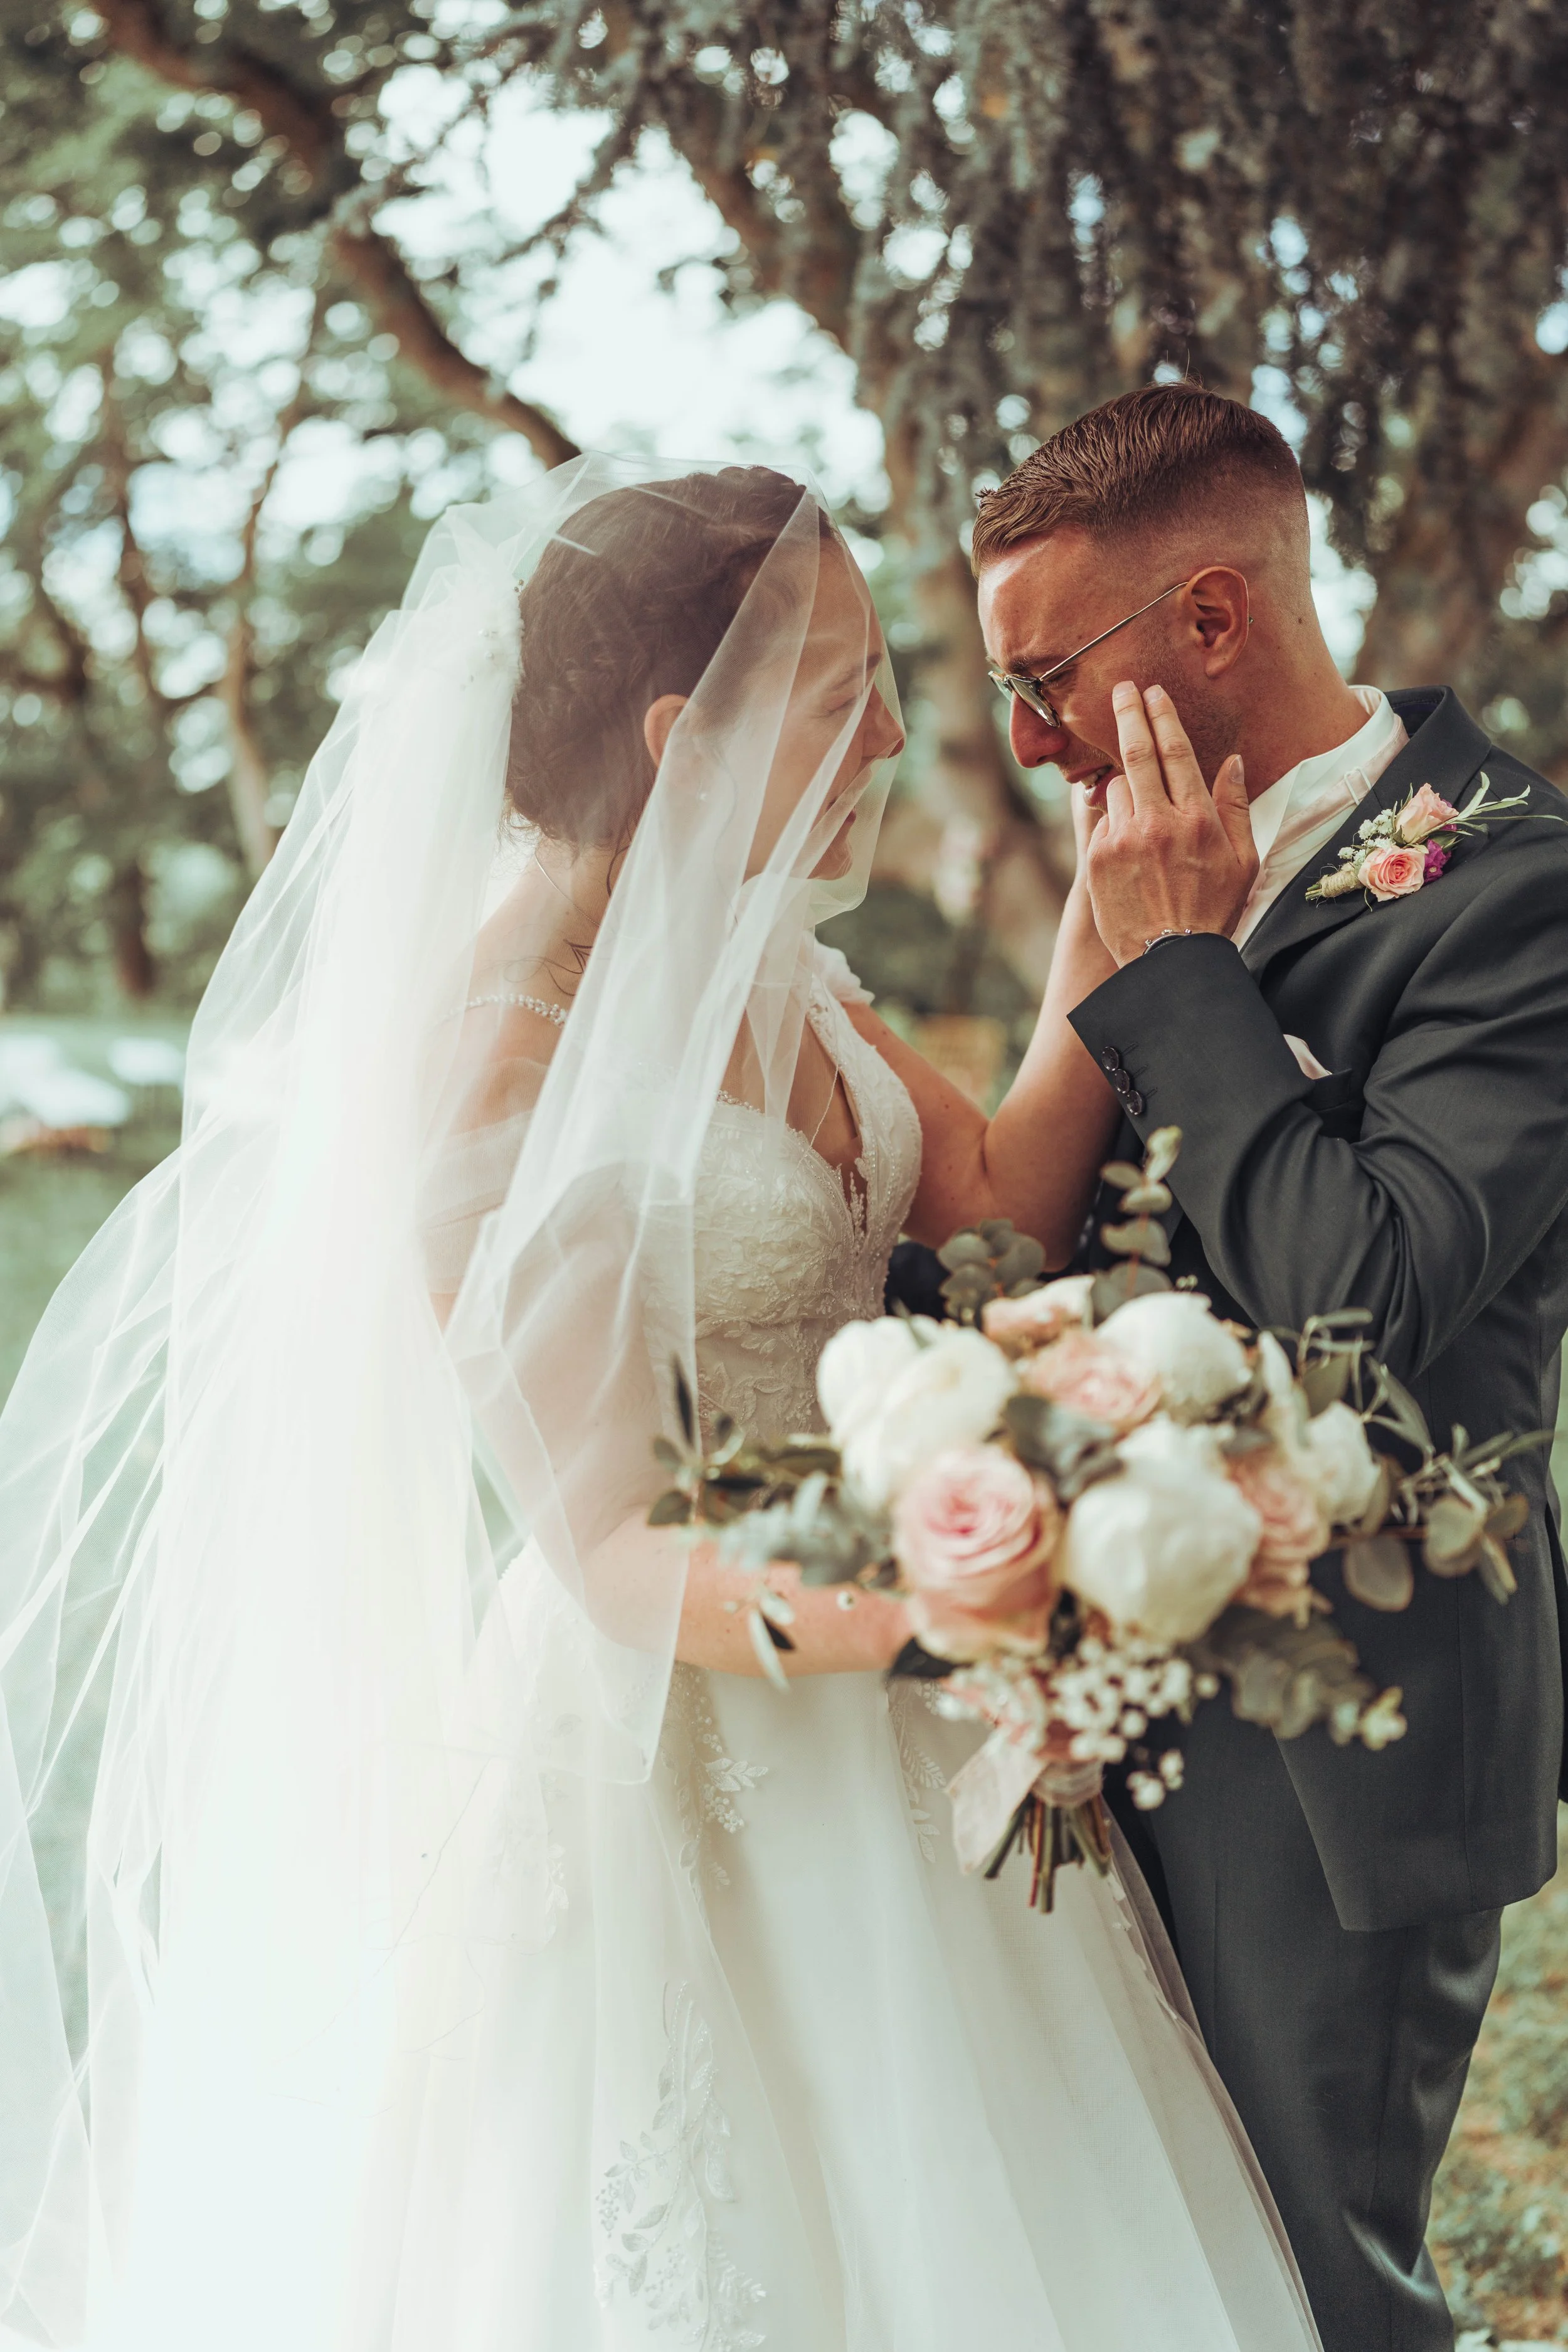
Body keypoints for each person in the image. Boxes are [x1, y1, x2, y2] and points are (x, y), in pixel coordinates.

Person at [0, 457, 1323, 2351]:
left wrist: (1107, 925)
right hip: (689, 1743)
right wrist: (949, 1608)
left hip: (905, 1698)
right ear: (679, 736)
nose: (892, 735)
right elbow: (611, 1548)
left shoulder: (771, 965)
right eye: (844, 692)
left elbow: (991, 1201)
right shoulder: (488, 1067)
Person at [953, 381, 1568, 2352]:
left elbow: (1356, 1302)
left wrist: (1183, 977)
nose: (1028, 739)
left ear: (1210, 617)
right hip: (1088, 1684)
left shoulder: (1516, 893)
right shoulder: (1130, 872)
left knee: (1308, 2291)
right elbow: (1044, 1239)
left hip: (1336, 1739)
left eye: (1045, 675)